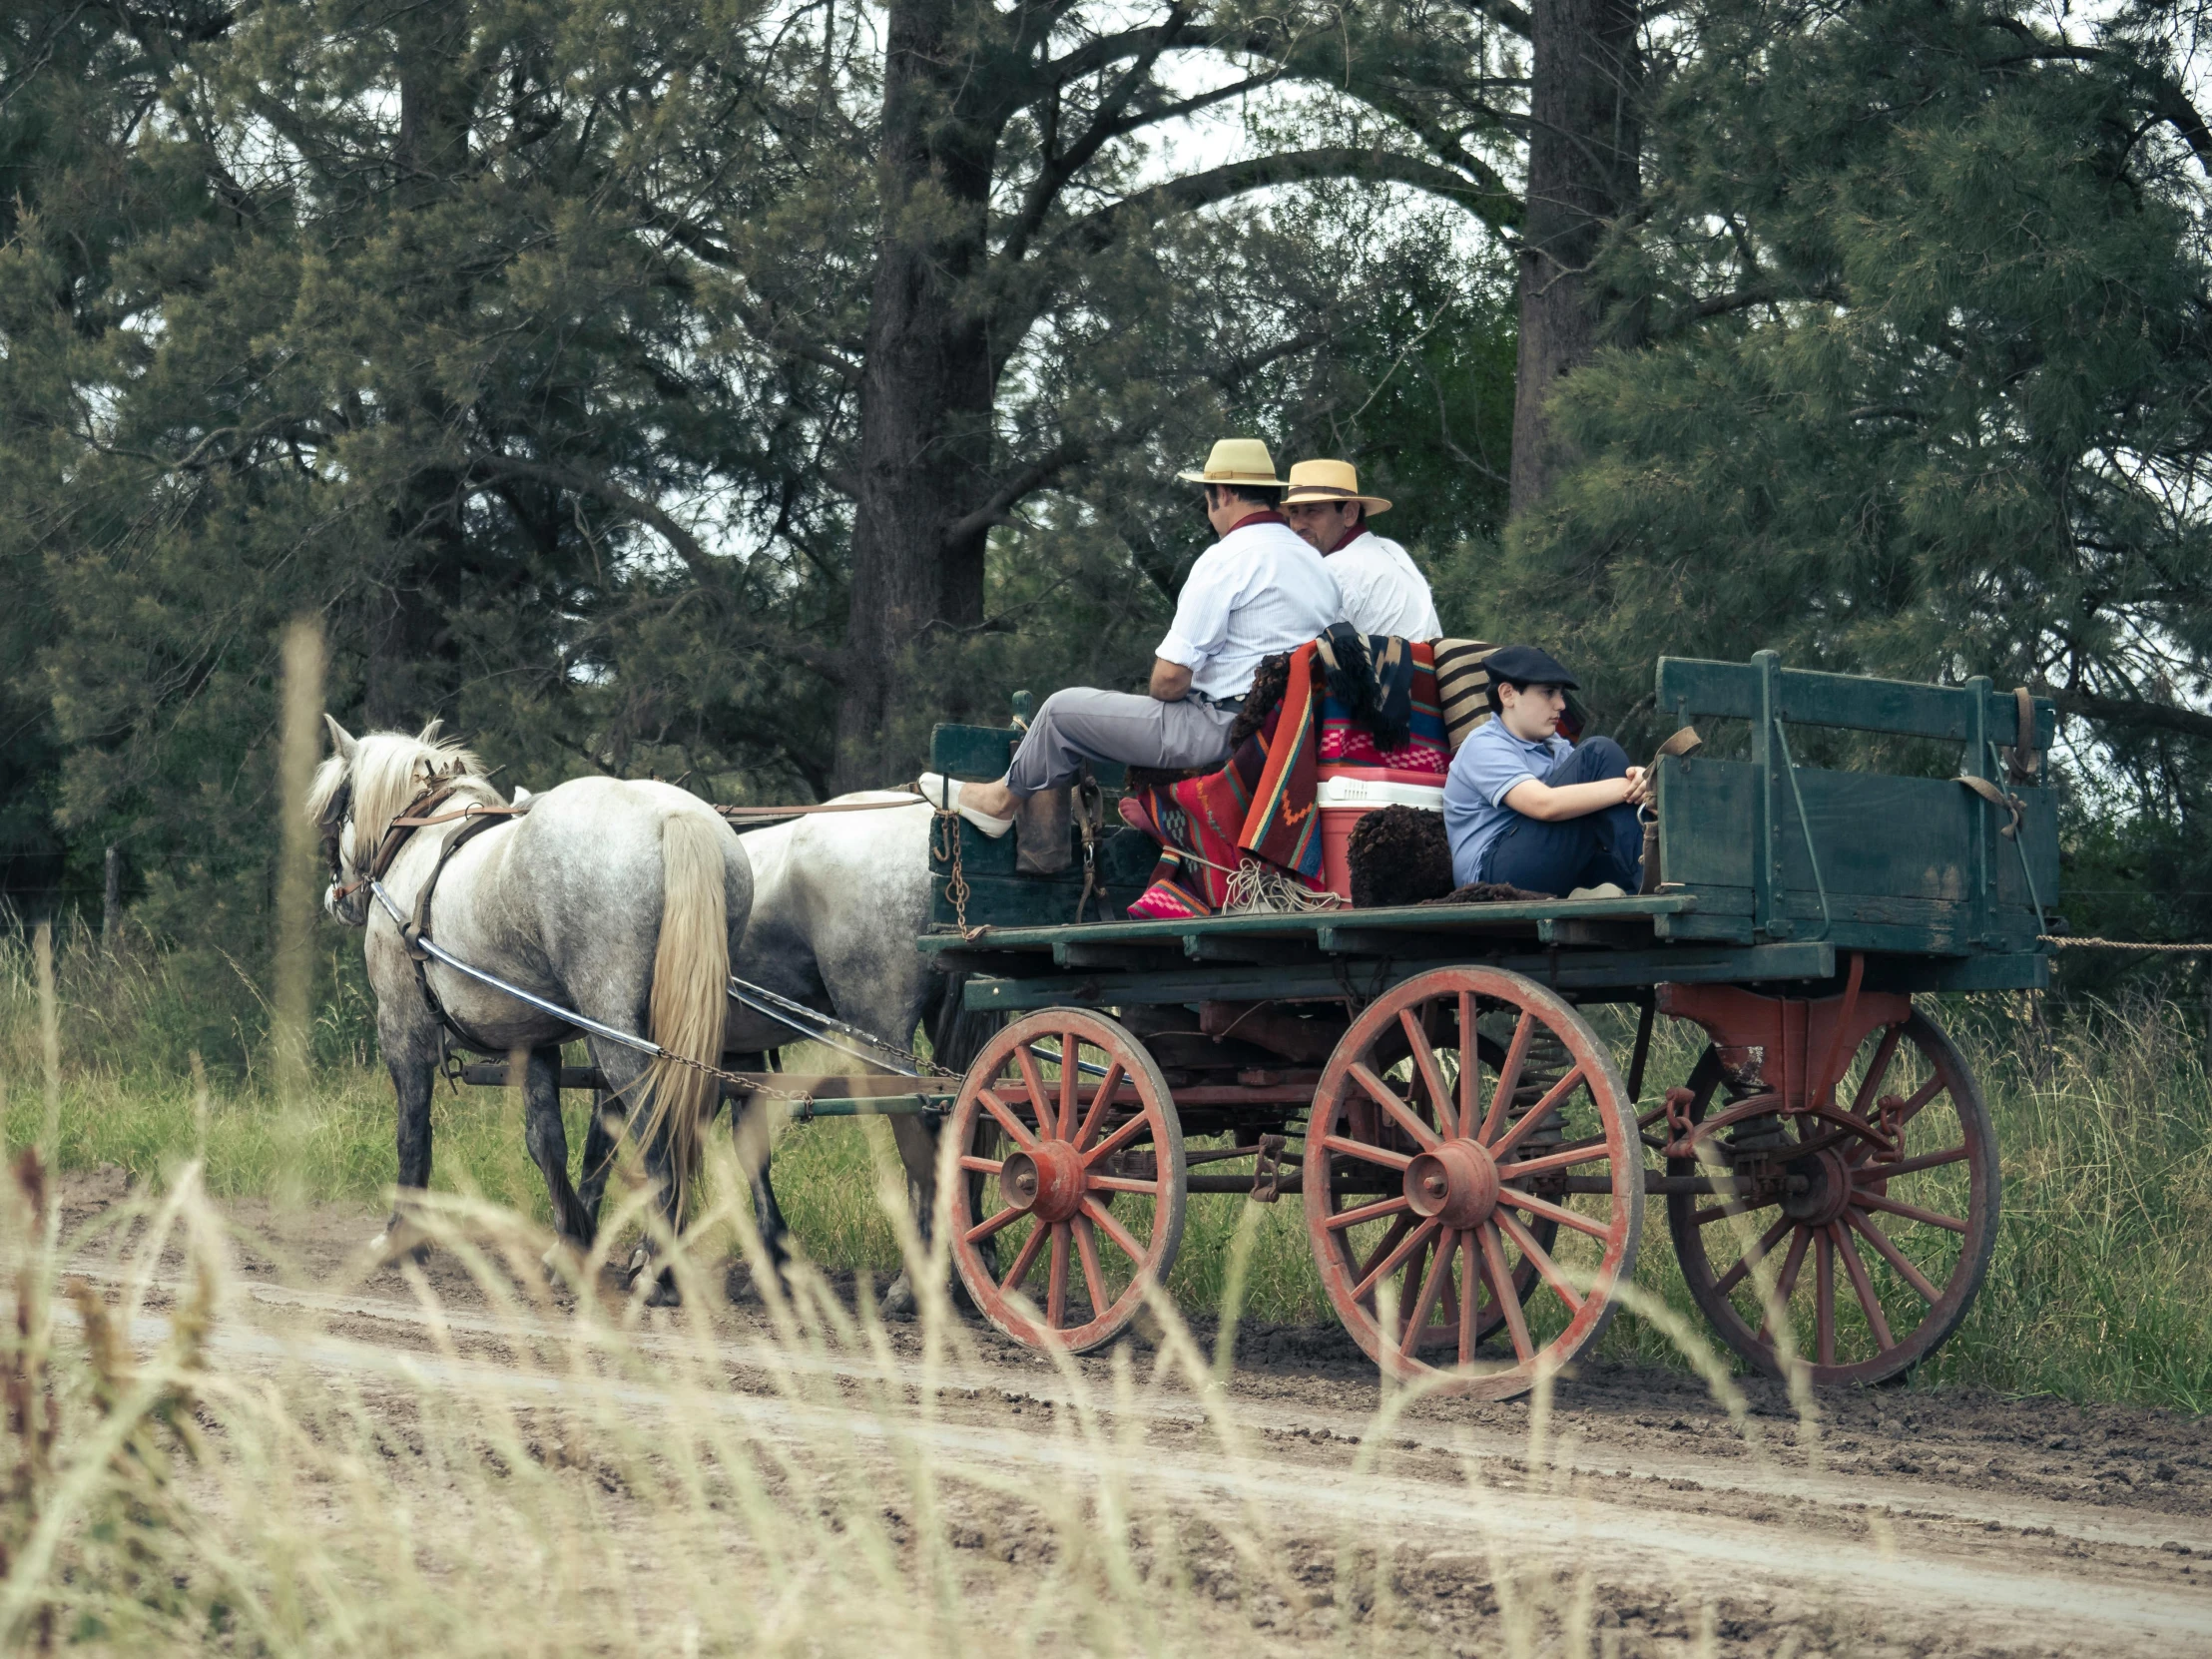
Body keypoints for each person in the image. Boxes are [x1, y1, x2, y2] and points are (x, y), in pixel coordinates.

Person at [920, 439, 1340, 832]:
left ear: (1224, 493)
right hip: (1295, 730)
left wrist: (1168, 690)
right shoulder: (1316, 563)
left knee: (1061, 711)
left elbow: (1169, 681)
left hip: (1223, 730)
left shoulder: (1228, 558)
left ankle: (999, 802)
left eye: (1207, 496)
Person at [1440, 645, 1649, 894]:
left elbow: (1600, 798)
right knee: (1599, 752)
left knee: (1620, 873)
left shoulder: (1557, 749)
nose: (1561, 704)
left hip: (1545, 862)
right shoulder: (1483, 744)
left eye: (1560, 694)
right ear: (1508, 694)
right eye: (1549, 692)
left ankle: (1650, 877)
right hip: (1493, 876)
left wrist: (1642, 783)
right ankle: (1650, 872)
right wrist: (1626, 786)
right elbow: (1543, 805)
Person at [1281, 459, 1442, 640]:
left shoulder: (1334, 569)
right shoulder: (1390, 550)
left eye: (1312, 511)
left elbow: (1295, 645)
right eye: (1294, 512)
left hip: (1388, 667)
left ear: (1349, 514)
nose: (1299, 525)